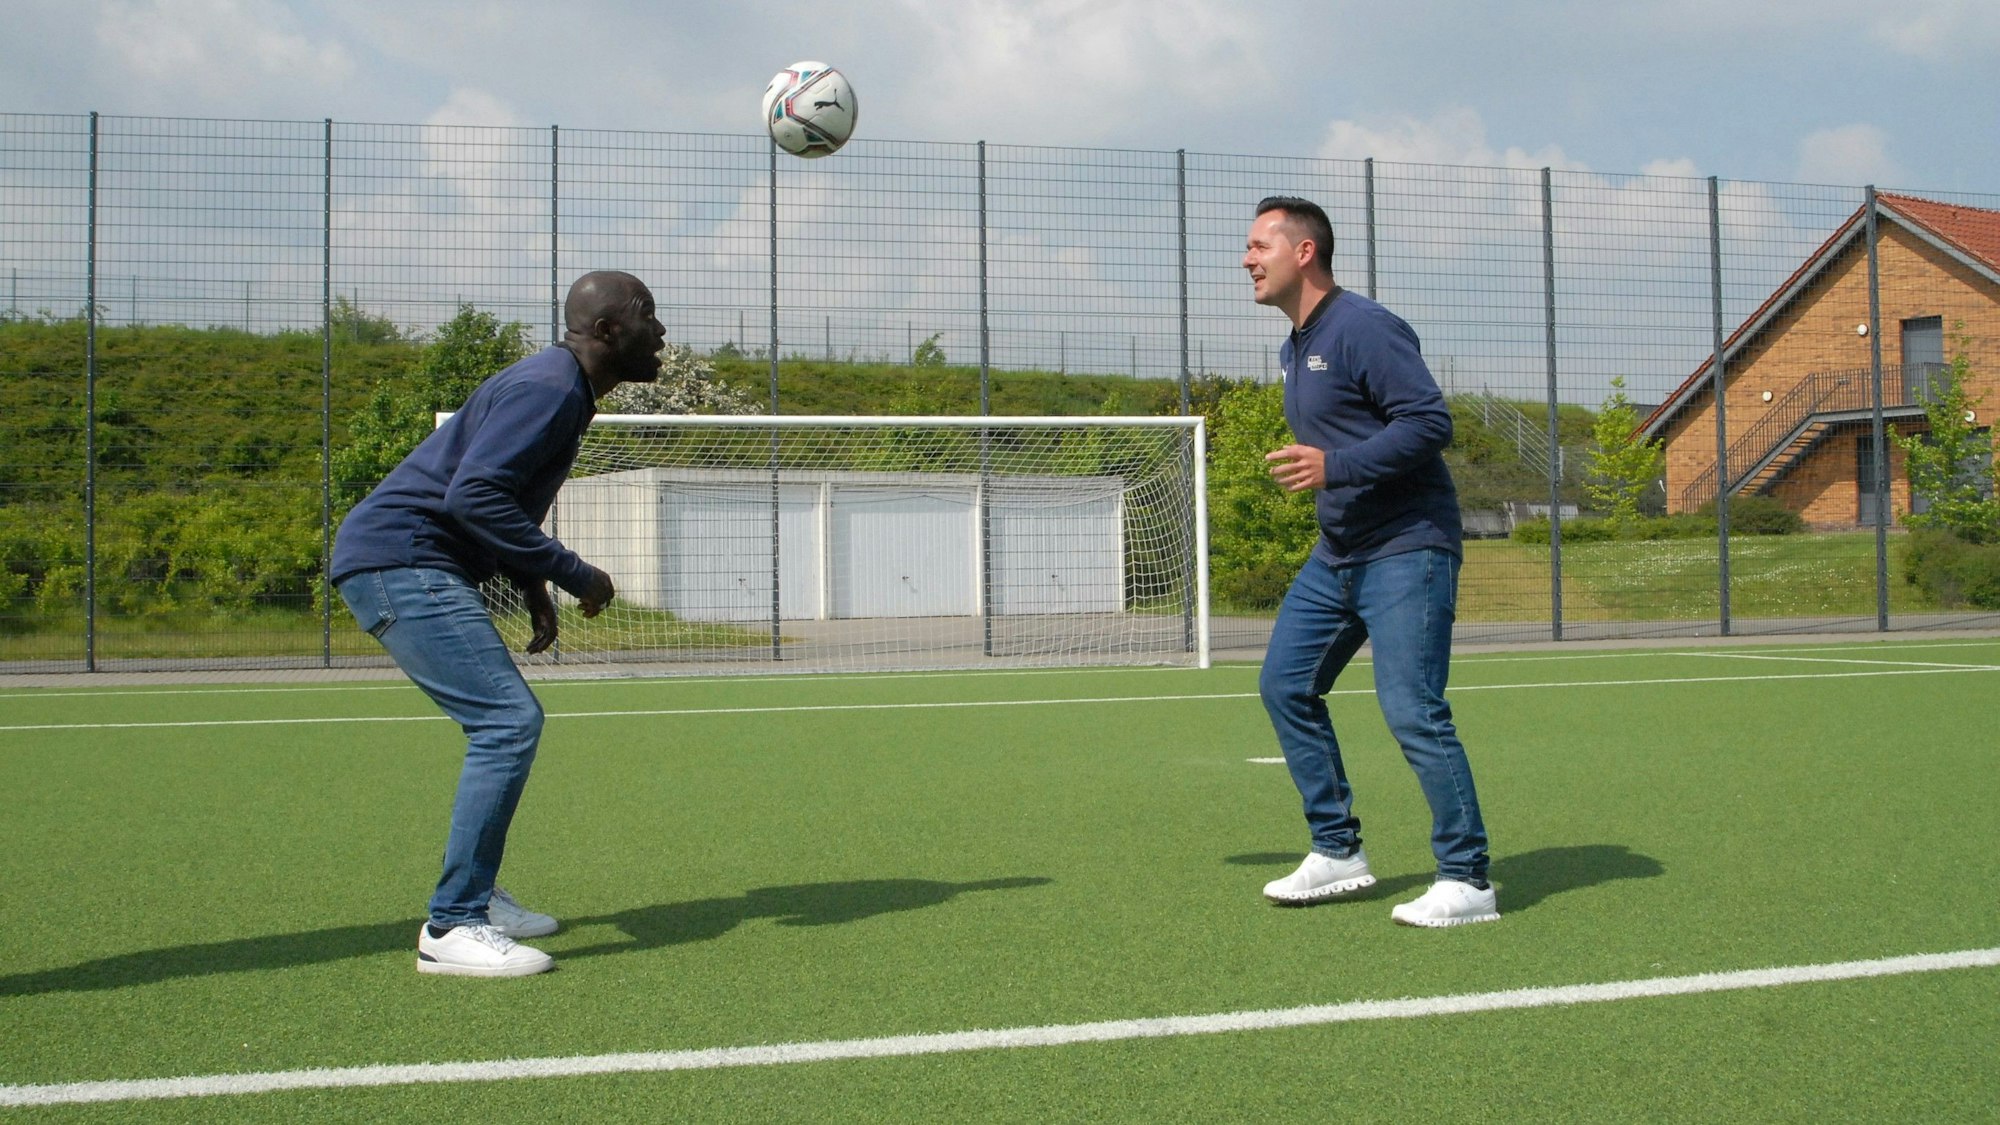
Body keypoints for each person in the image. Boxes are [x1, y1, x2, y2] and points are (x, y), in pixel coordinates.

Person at [330, 270, 663, 975]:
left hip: (409, 558)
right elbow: (473, 496)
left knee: (505, 722)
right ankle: (451, 925)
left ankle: (475, 899)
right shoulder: (550, 389)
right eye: (646, 315)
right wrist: (576, 573)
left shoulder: (561, 389)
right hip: (401, 560)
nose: (660, 331)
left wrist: (531, 583)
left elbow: (496, 498)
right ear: (607, 331)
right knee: (507, 722)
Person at [1241, 197, 1497, 927]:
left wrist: (1336, 466)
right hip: (1340, 553)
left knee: (1412, 709)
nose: (1247, 259)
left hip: (1407, 546)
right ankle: (1337, 850)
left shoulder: (1363, 326)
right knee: (1285, 684)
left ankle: (1468, 878)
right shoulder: (1294, 345)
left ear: (1304, 253)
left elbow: (1429, 421)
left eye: (1260, 244)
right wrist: (1333, 476)